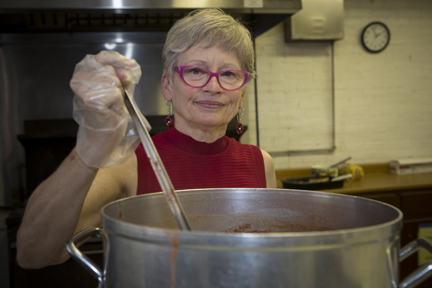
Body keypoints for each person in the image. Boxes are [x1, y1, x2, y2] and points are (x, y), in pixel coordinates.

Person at [16, 8, 276, 269]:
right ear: (167, 86)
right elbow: (34, 253)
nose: (213, 86)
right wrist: (89, 148)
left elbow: (270, 259)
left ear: (241, 94)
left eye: (229, 74)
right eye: (196, 71)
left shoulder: (261, 163)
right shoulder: (131, 162)